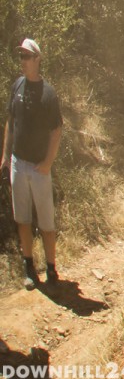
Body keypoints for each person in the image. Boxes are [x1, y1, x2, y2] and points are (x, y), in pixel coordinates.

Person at [1, 39, 63, 290]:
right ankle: (29, 268)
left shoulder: (48, 93)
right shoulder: (17, 85)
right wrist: (5, 156)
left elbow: (56, 131)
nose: (23, 61)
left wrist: (48, 163)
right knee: (23, 219)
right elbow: (10, 122)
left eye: (27, 57)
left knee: (46, 222)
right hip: (18, 163)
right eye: (21, 57)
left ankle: (51, 268)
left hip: (39, 168)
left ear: (37, 59)